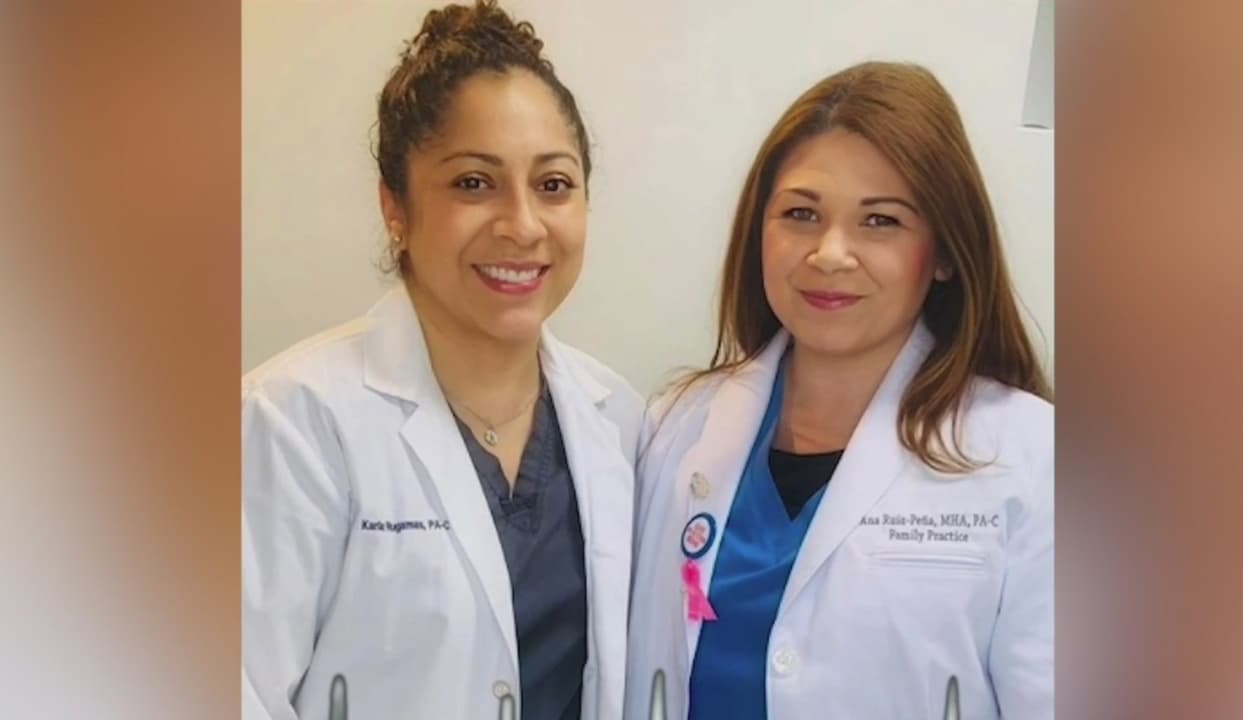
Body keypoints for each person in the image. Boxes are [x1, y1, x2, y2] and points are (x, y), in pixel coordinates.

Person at [241, 3, 642, 718]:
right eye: (473, 183)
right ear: (395, 208)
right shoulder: (292, 421)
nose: (523, 225)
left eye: (553, 185)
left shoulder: (620, 420)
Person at [625, 61, 1054, 719]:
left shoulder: (1033, 459)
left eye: (880, 221)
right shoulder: (675, 427)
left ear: (944, 253)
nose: (829, 253)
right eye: (800, 214)